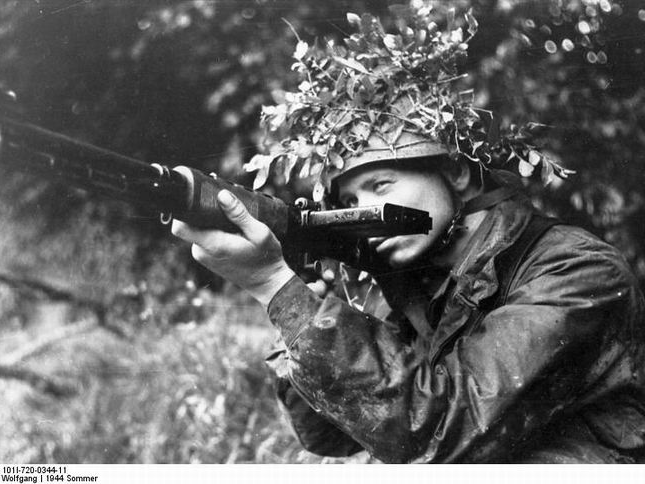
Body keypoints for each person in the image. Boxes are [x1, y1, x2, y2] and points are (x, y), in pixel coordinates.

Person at [171, 9, 645, 463]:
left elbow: (437, 430)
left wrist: (272, 284)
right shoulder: (415, 282)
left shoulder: (577, 271)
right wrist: (298, 310)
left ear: (456, 174)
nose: (365, 214)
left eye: (381, 186)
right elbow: (329, 436)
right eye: (350, 201)